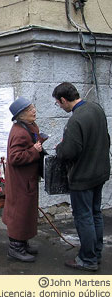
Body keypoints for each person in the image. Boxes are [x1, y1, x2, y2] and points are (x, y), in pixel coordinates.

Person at [53, 82, 110, 272]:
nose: (59, 107)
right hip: (99, 173)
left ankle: (87, 259)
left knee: (83, 216)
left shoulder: (76, 120)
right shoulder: (96, 109)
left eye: (58, 103)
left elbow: (68, 152)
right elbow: (106, 139)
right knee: (95, 214)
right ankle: (96, 252)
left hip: (83, 177)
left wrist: (59, 148)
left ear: (63, 99)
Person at [2, 97, 46, 262]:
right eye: (29, 110)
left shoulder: (30, 126)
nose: (33, 111)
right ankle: (15, 248)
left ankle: (23, 243)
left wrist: (39, 141)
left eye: (33, 107)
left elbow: (32, 144)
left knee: (27, 212)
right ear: (20, 115)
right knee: (19, 213)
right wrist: (34, 150)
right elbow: (15, 157)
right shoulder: (19, 132)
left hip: (28, 179)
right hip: (21, 181)